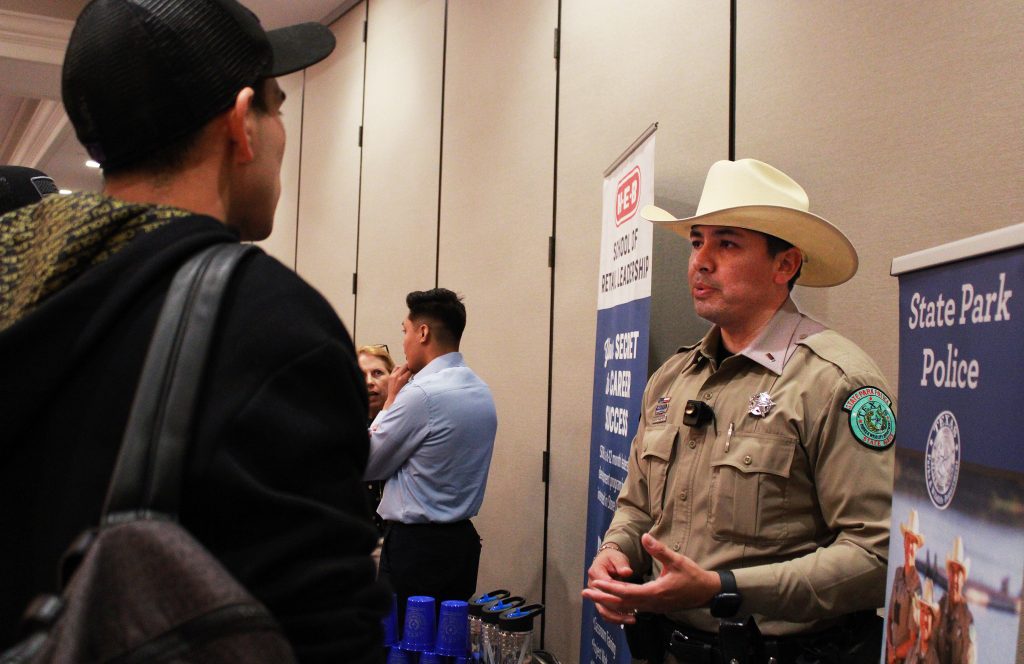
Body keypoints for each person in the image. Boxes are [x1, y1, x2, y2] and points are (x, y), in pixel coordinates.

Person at [0, 0, 389, 661]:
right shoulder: (265, 320)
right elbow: (325, 633)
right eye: (278, 107)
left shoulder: (24, 279)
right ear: (242, 124)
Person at [582, 158, 896, 664]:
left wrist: (723, 587)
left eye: (726, 243)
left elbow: (877, 557)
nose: (701, 261)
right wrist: (615, 552)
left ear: (785, 265)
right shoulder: (673, 378)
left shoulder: (834, 382)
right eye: (696, 241)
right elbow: (638, 506)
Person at [365, 288, 498, 622]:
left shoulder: (420, 394)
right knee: (444, 647)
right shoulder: (480, 391)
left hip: (414, 550)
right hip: (460, 546)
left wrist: (391, 401)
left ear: (422, 332)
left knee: (403, 650)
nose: (404, 342)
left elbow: (365, 462)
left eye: (405, 332)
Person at [358, 343, 396, 535]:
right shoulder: (341, 425)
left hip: (396, 539)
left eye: (378, 373)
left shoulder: (406, 423)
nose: (369, 382)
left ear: (393, 378)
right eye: (361, 375)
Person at [888, 509, 926, 664]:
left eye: (914, 543)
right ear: (903, 542)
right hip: (891, 654)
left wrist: (895, 653)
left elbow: (914, 640)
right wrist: (889, 648)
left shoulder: (916, 587)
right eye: (908, 540)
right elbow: (889, 617)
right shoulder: (897, 573)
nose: (910, 546)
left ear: (917, 548)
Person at [935, 537, 976, 664]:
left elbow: (969, 659)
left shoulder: (968, 620)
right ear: (948, 574)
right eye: (953, 571)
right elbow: (929, 645)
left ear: (963, 579)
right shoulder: (939, 607)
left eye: (959, 573)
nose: (955, 579)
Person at [906, 579, 940, 664]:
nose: (925, 619)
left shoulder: (935, 659)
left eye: (928, 613)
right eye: (923, 612)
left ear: (933, 621)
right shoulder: (911, 653)